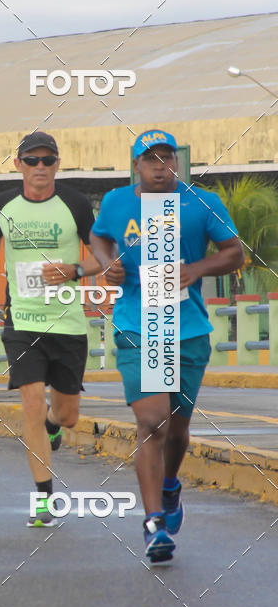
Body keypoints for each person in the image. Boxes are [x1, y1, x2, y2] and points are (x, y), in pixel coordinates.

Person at [89, 129, 244, 562]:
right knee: (153, 422)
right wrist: (108, 263)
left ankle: (170, 485)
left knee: (176, 429)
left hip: (189, 328)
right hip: (141, 325)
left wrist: (197, 269)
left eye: (167, 158)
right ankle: (154, 523)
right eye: (150, 159)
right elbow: (99, 237)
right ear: (136, 165)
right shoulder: (119, 202)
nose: (160, 167)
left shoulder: (202, 203)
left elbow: (235, 253)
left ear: (177, 162)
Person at [0, 131, 100, 527]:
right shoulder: (4, 204)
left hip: (68, 323)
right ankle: (43, 499)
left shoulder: (75, 204)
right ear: (18, 164)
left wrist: (74, 270)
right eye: (32, 160)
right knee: (30, 403)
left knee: (66, 415)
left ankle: (52, 427)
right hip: (22, 321)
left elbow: (104, 257)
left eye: (48, 160)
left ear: (58, 164)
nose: (40, 167)